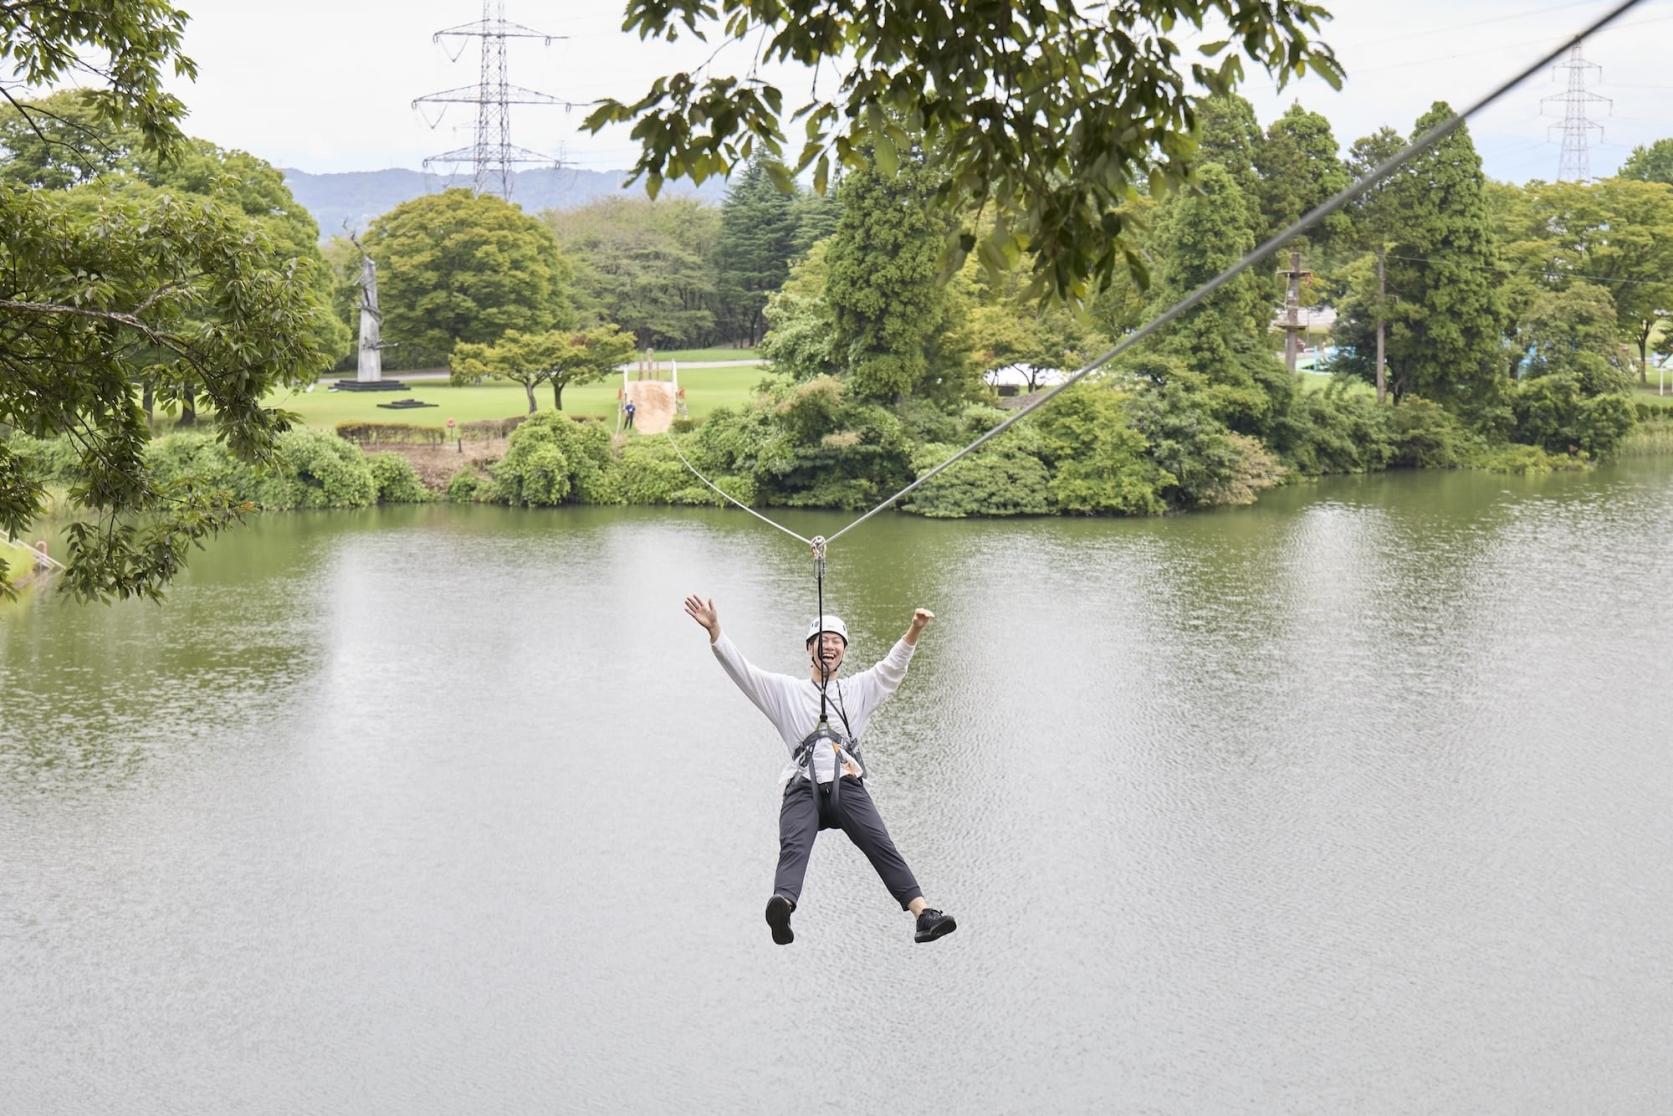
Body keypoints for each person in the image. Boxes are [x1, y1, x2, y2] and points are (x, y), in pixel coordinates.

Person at [682, 594, 958, 946]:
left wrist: (915, 629)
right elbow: (744, 673)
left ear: (843, 651)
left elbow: (892, 668)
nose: (829, 647)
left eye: (835, 642)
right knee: (794, 845)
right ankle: (782, 907)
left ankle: (923, 915)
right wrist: (716, 632)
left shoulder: (857, 690)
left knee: (881, 844)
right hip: (803, 787)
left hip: (847, 784)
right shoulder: (785, 692)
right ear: (809, 648)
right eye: (822, 641)